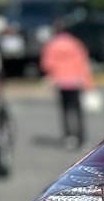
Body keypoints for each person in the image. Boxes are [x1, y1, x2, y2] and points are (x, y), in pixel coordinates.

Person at [38, 19, 94, 148]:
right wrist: (88, 83)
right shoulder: (75, 43)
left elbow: (47, 64)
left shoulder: (51, 45)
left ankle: (69, 137)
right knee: (78, 111)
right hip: (76, 81)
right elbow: (83, 63)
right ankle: (82, 138)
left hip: (61, 82)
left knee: (65, 110)